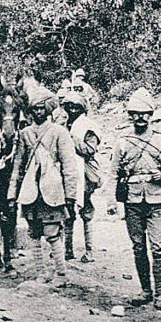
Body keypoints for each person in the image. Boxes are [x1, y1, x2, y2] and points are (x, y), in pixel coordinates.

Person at [112, 88, 161, 311]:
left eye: (145, 113)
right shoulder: (122, 141)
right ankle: (146, 290)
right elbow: (113, 173)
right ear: (130, 114)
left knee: (158, 248)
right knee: (138, 247)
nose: (141, 117)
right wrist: (111, 201)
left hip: (156, 200)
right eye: (136, 113)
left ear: (151, 114)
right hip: (132, 201)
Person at [8, 86, 78, 286]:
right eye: (34, 109)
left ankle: (61, 274)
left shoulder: (59, 132)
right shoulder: (25, 134)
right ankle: (41, 272)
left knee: (52, 233)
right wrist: (12, 194)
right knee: (33, 233)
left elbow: (69, 166)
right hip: (30, 191)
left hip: (53, 190)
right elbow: (18, 166)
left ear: (48, 110)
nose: (38, 112)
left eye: (41, 108)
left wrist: (71, 195)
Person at [62, 91, 105, 263]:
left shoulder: (88, 126)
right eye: (69, 106)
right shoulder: (64, 124)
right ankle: (67, 249)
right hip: (67, 171)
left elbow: (89, 149)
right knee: (67, 209)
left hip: (84, 172)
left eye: (76, 106)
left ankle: (89, 250)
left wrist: (71, 139)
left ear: (82, 108)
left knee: (86, 210)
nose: (72, 109)